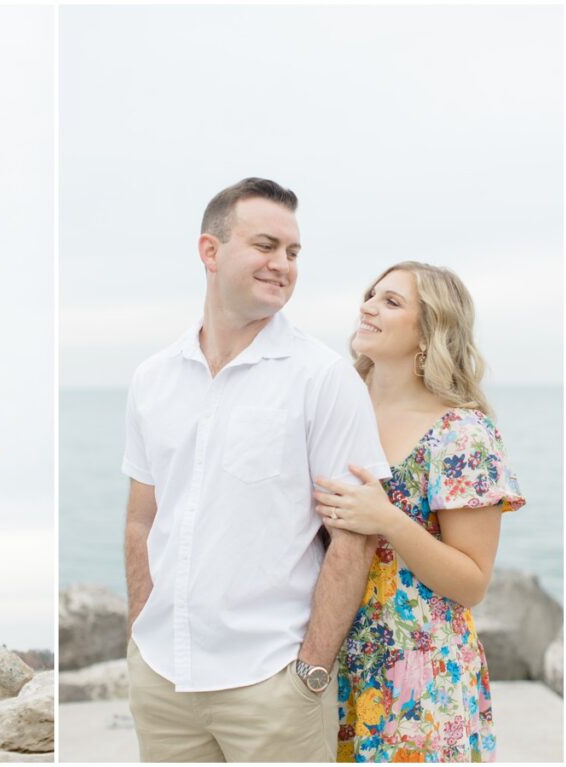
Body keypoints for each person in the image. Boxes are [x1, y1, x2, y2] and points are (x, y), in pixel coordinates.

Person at [122, 177, 391, 762]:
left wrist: (312, 672)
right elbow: (142, 521)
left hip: (272, 685)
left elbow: (355, 534)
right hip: (161, 680)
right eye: (266, 245)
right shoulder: (152, 379)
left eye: (293, 253)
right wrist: (139, 637)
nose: (283, 265)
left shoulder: (322, 378)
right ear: (210, 252)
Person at [311, 262, 525, 762]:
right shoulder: (335, 409)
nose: (368, 307)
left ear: (430, 330)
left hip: (419, 680)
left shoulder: (462, 434)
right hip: (327, 661)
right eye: (370, 295)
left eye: (391, 302)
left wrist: (387, 519)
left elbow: (472, 582)